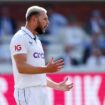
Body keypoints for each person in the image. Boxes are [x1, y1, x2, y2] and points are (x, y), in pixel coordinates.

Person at [10, 6, 73, 105]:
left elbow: (38, 75)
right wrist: (47, 69)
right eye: (44, 19)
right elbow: (21, 68)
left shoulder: (37, 40)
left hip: (41, 91)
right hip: (27, 91)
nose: (47, 22)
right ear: (34, 19)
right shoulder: (20, 37)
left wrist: (57, 86)